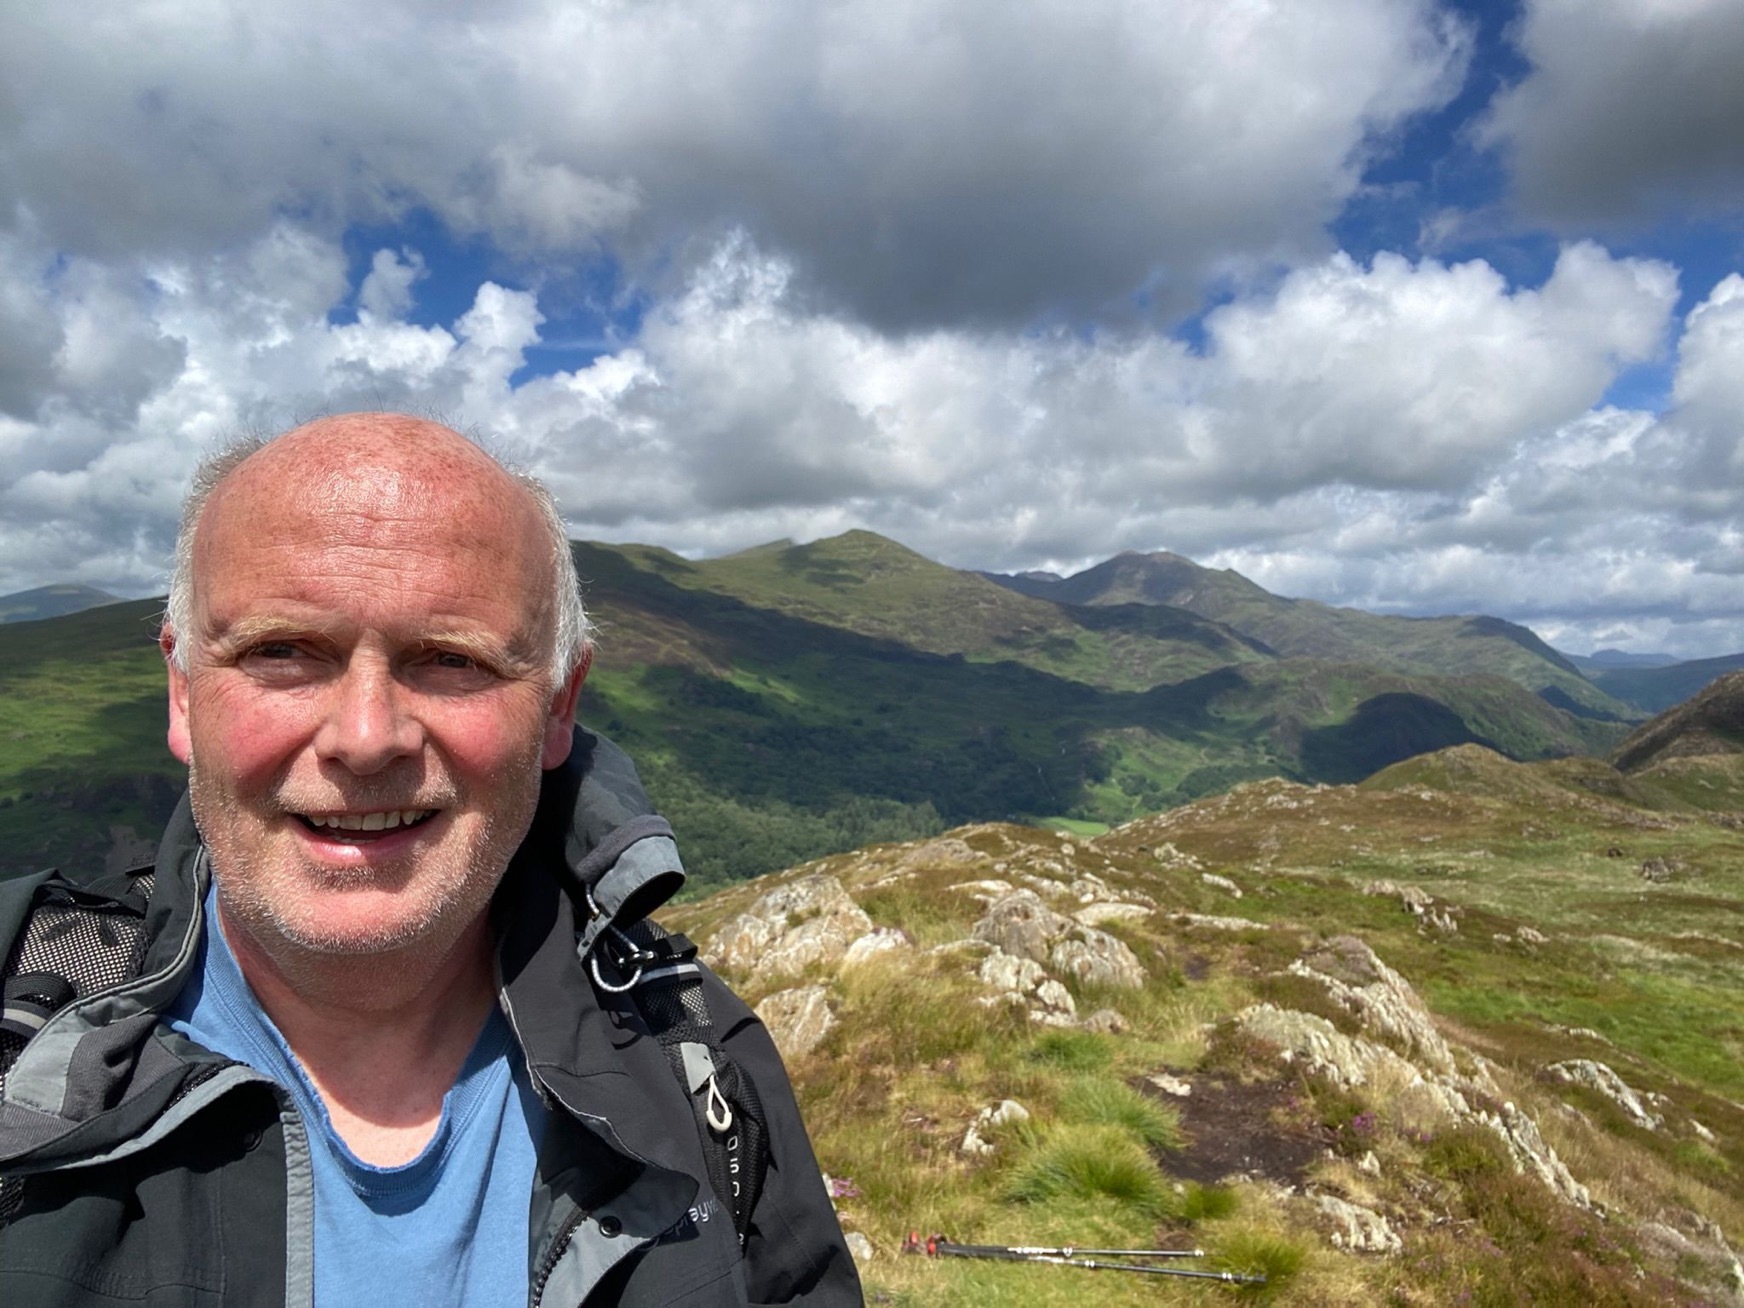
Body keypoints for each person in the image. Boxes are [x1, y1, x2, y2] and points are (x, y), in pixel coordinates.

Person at [0, 414, 862, 1306]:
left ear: (560, 705)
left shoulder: (700, 1061)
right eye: (283, 650)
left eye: (451, 659)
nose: (367, 739)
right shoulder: (19, 1022)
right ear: (183, 691)